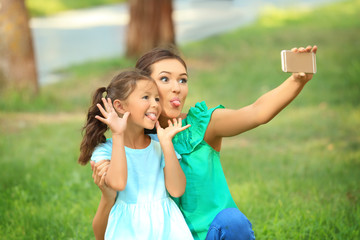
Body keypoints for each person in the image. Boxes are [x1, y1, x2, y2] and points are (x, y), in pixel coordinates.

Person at [91, 45, 318, 240]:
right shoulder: (129, 148)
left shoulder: (202, 125)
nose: (177, 87)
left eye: (183, 79)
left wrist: (297, 80)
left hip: (212, 234)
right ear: (142, 86)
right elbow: (109, 230)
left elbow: (257, 112)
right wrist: (107, 196)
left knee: (233, 222)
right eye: (164, 79)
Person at [78, 70, 194, 239]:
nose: (154, 104)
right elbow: (118, 183)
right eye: (146, 97)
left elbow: (176, 190)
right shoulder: (104, 151)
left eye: (156, 98)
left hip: (167, 227)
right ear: (120, 106)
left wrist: (167, 144)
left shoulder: (159, 144)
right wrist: (118, 134)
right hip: (128, 229)